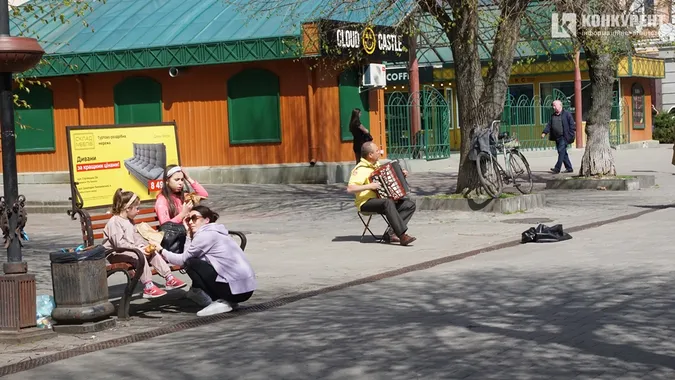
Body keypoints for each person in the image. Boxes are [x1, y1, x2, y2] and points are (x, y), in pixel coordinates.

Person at [157, 205, 257, 317]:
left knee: (191, 263)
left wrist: (161, 250)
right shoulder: (217, 232)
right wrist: (189, 235)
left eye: (195, 218)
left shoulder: (205, 236)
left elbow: (183, 259)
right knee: (192, 261)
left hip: (235, 291)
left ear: (206, 220)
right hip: (245, 289)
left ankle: (219, 299)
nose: (190, 222)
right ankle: (217, 297)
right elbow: (188, 254)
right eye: (188, 219)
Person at [102, 188, 187, 299]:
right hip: (115, 254)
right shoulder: (114, 222)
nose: (139, 211)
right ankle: (148, 286)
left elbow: (136, 237)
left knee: (152, 252)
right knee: (140, 255)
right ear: (128, 208)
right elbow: (119, 244)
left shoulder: (129, 221)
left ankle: (169, 277)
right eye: (137, 208)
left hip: (131, 250)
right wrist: (138, 250)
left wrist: (143, 246)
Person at [347, 141, 417, 246]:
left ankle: (390, 233)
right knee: (387, 203)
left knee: (409, 204)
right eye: (377, 151)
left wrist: (402, 175)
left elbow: (389, 180)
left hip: (381, 200)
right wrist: (370, 186)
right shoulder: (360, 169)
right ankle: (402, 235)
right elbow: (350, 188)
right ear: (370, 155)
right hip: (366, 203)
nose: (379, 152)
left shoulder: (377, 165)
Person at [541, 100, 576, 174]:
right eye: (553, 106)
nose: (553, 107)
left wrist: (570, 135)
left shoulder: (567, 114)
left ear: (560, 105)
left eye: (554, 105)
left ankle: (557, 168)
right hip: (557, 137)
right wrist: (544, 132)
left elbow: (572, 126)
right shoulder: (553, 115)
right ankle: (569, 168)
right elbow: (549, 125)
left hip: (564, 137)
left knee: (561, 151)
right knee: (563, 153)